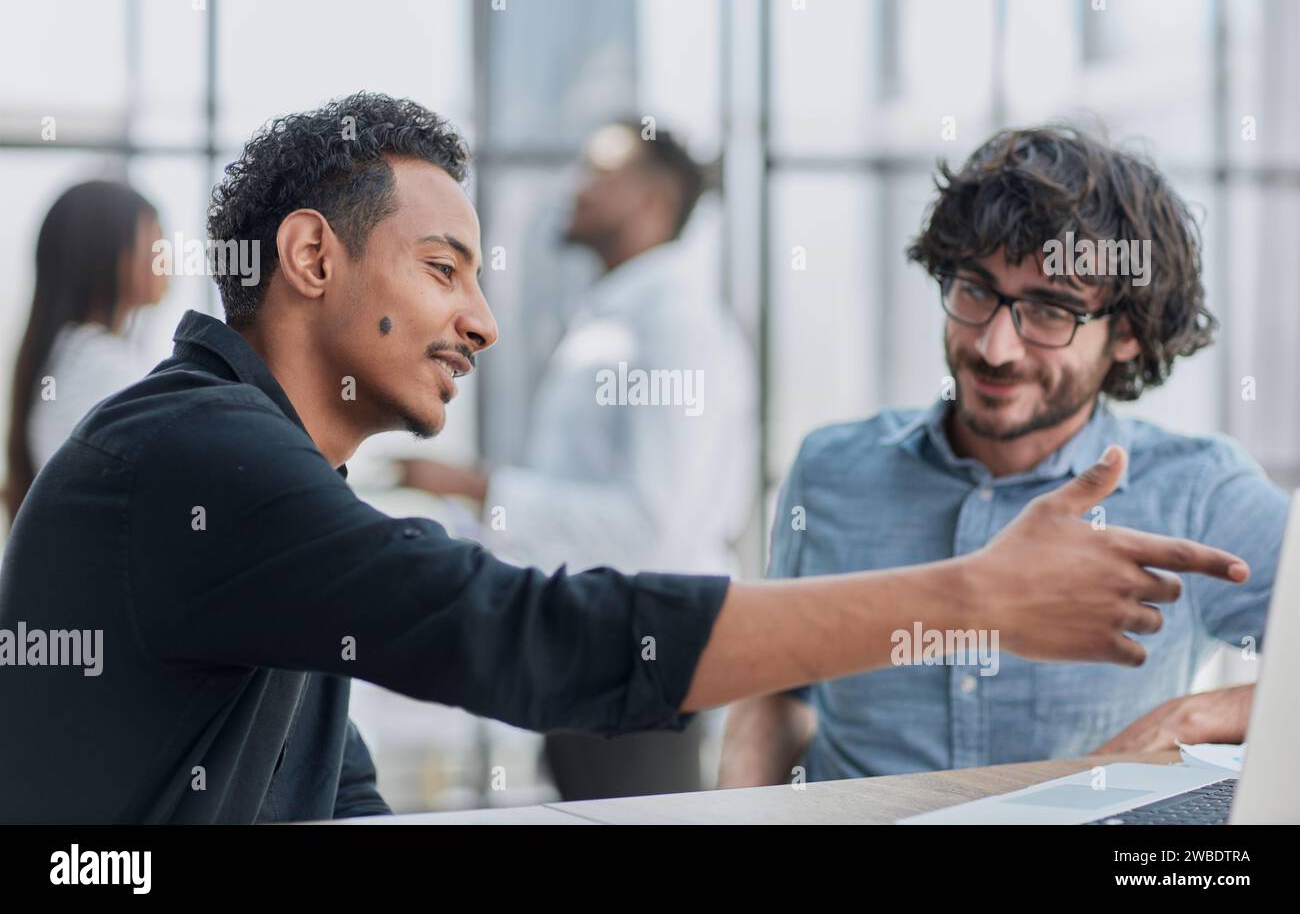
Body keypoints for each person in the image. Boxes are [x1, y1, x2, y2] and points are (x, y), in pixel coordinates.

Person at [0, 96, 1248, 823]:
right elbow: (512, 626)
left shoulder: (259, 476)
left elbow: (341, 793)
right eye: (444, 270)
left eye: (1049, 311)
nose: (481, 318)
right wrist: (970, 600)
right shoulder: (198, 457)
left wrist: (1193, 722)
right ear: (314, 259)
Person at [718, 124, 1286, 788]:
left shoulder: (1201, 493)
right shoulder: (831, 470)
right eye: (976, 290)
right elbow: (780, 689)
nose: (994, 347)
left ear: (1126, 333)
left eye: (1049, 311)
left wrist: (1194, 720)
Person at [398, 121, 756, 798]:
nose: (577, 187)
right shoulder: (616, 316)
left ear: (652, 199)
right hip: (593, 642)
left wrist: (479, 487)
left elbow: (652, 523)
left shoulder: (675, 326)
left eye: (601, 173)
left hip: (639, 650)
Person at [5, 180, 166, 523]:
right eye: (154, 238)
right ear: (108, 251)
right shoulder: (98, 364)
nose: (167, 255)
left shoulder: (67, 353)